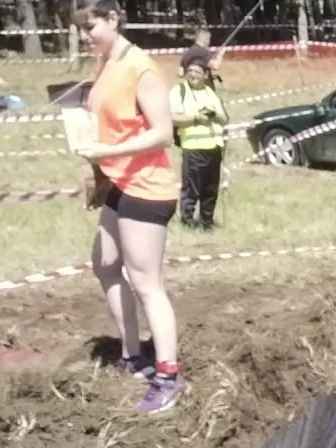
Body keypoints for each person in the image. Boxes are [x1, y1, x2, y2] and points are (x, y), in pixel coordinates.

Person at [72, 0, 184, 415]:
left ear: (114, 19)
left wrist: (107, 149)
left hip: (147, 187)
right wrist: (99, 171)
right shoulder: (104, 65)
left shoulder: (141, 68)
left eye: (92, 26)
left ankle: (168, 376)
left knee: (146, 282)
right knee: (104, 263)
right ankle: (133, 355)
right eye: (80, 29)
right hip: (119, 182)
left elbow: (162, 134)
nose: (85, 36)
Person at [169, 59, 227, 230]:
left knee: (210, 190)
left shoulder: (210, 92)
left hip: (214, 147)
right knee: (191, 189)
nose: (193, 75)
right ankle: (187, 222)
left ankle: (206, 223)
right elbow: (172, 118)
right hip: (193, 147)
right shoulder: (178, 91)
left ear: (205, 75)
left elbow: (224, 118)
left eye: (197, 72)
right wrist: (195, 118)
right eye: (191, 71)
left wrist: (214, 115)